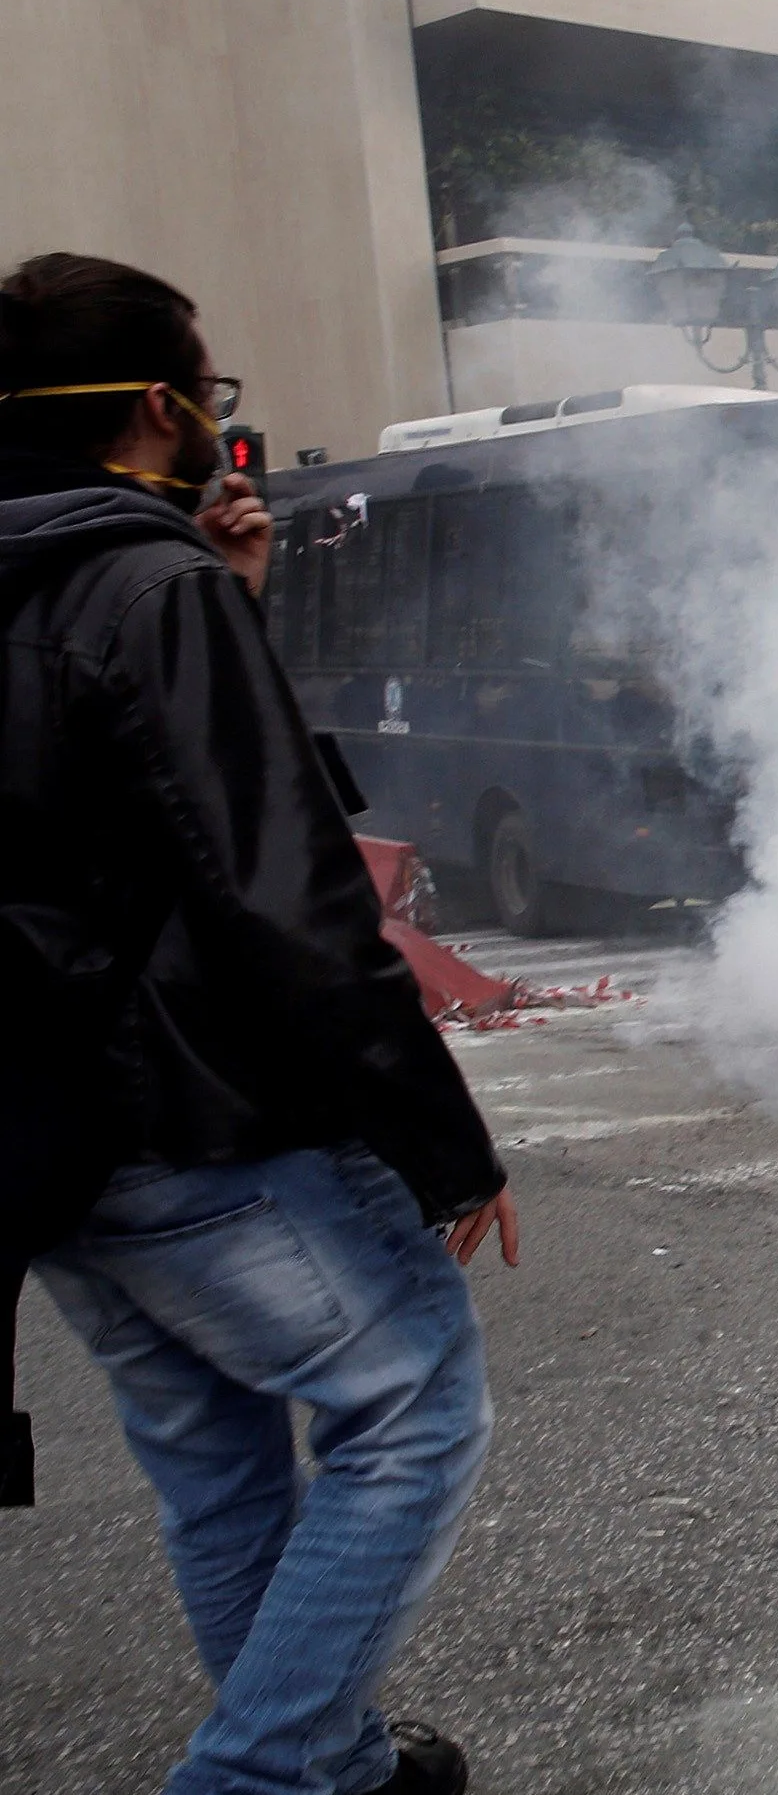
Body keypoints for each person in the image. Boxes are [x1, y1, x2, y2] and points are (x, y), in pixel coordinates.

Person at [0, 254, 518, 1795]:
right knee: (416, 1401)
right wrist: (444, 1145)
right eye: (209, 402)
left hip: (41, 1130)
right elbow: (281, 887)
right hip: (187, 1106)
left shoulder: (135, 582)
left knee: (213, 1451)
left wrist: (229, 609)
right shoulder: (145, 587)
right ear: (161, 407)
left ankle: (334, 1764)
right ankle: (266, 1774)